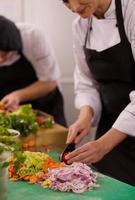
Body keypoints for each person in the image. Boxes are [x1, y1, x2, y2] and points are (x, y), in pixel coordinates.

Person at [62, 0, 135, 185]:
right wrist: (85, 115)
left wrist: (104, 144)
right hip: (109, 126)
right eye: (66, 1)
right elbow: (86, 81)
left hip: (115, 135)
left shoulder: (132, 11)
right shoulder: (80, 26)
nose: (75, 8)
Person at [0, 16, 67, 126]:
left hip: (43, 104)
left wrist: (17, 96)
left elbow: (49, 82)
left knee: (54, 141)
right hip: (7, 111)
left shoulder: (32, 36)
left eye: (2, 54)